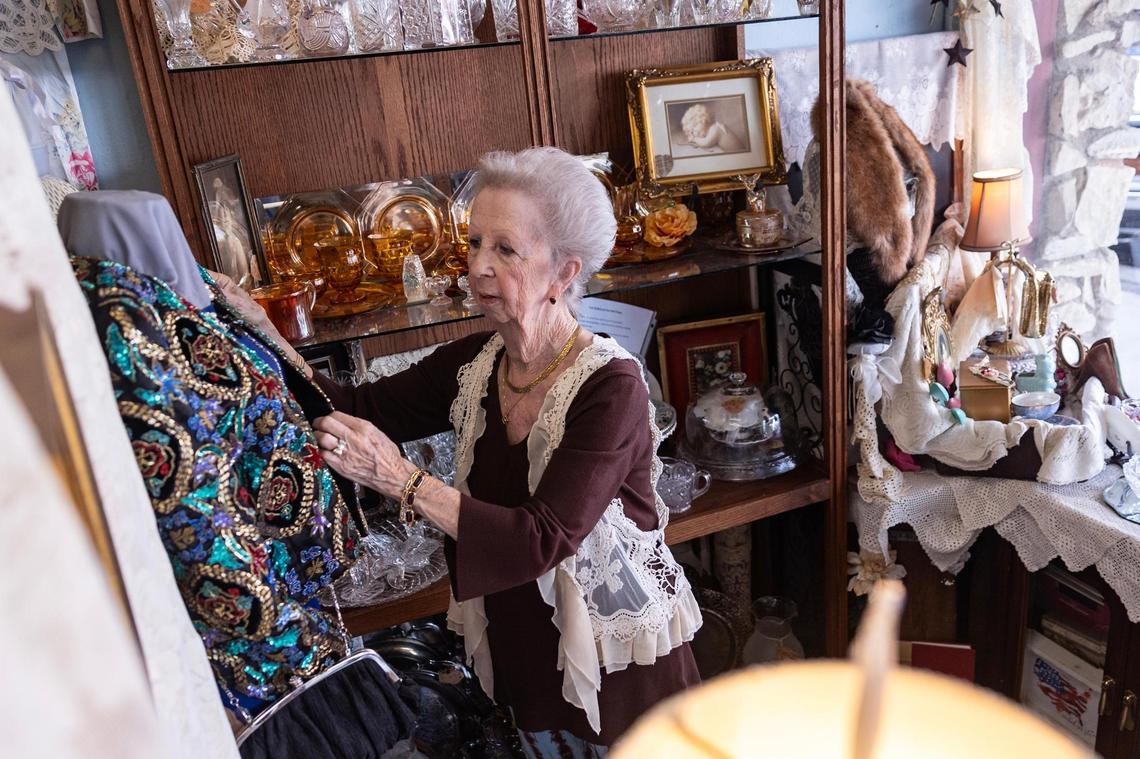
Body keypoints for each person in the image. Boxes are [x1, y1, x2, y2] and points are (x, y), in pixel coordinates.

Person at [300, 147, 703, 754]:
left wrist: (402, 480)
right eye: (474, 243)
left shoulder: (611, 387)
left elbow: (541, 538)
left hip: (617, 667)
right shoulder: (475, 364)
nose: (475, 269)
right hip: (525, 652)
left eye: (505, 250)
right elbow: (356, 407)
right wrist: (257, 328)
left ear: (564, 273)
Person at [58, 191, 415, 757]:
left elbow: (292, 399)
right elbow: (186, 492)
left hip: (288, 585)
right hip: (251, 615)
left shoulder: (199, 292)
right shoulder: (119, 314)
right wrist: (265, 620)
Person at [679, 103, 745, 153]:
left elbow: (706, 143)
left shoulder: (715, 129)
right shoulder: (714, 127)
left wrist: (694, 139)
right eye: (692, 131)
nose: (694, 131)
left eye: (695, 125)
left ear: (703, 119)